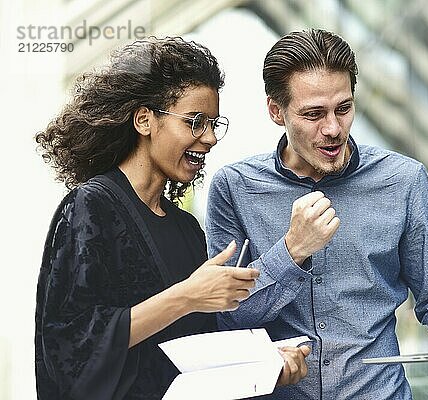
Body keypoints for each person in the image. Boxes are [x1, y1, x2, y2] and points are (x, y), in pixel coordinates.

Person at [205, 29, 428, 399]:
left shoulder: (403, 180)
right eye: (313, 114)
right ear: (275, 111)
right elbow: (229, 317)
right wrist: (292, 250)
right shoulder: (233, 189)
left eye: (344, 108)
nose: (333, 129)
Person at [34, 36, 310, 400]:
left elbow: (193, 353)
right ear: (145, 120)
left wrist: (265, 363)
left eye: (214, 123)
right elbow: (70, 348)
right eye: (195, 122)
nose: (210, 138)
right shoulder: (91, 207)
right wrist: (187, 296)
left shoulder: (187, 229)